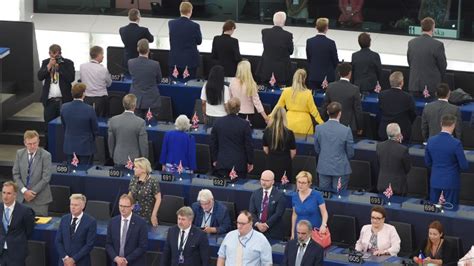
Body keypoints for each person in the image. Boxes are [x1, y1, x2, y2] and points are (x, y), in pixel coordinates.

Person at [38, 44, 75, 149]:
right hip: (49, 101)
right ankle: (49, 150)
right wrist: (49, 67)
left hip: (64, 101)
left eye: (56, 54)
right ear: (49, 53)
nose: (54, 57)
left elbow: (71, 78)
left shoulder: (67, 63)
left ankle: (66, 149)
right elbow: (40, 76)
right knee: (48, 128)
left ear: (60, 53)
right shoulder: (46, 62)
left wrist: (60, 68)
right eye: (52, 54)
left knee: (66, 126)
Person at [425, 114, 468, 205]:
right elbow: (464, 165)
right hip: (451, 183)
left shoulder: (431, 141)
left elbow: (427, 162)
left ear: (441, 124)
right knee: (450, 212)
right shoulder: (456, 143)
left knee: (434, 211)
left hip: (435, 181)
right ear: (454, 125)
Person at [315, 102, 354, 191]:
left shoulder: (319, 128)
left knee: (324, 198)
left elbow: (317, 149)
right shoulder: (346, 130)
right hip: (340, 168)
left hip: (324, 167)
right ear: (340, 113)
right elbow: (350, 153)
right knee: (339, 198)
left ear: (328, 113)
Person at [210, 97, 254, 179]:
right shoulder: (244, 124)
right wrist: (250, 162)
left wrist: (215, 159)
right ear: (239, 109)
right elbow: (249, 145)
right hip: (239, 165)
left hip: (222, 163)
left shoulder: (218, 122)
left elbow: (213, 144)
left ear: (227, 108)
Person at [12, 130, 52, 216]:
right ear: (25, 143)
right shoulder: (19, 153)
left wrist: (32, 192)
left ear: (38, 141)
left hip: (40, 200)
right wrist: (24, 191)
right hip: (22, 198)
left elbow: (46, 178)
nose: (33, 146)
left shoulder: (46, 155)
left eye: (35, 143)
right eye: (30, 144)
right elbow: (16, 174)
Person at [273, 69, 324, 134]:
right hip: (304, 125)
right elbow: (314, 111)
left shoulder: (286, 91)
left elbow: (278, 107)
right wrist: (322, 123)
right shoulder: (308, 93)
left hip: (288, 124)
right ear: (304, 79)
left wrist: (269, 117)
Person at [407, 17, 447, 98]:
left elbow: (410, 62)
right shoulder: (438, 45)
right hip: (431, 87)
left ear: (421, 28)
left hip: (414, 85)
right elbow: (442, 66)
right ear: (433, 28)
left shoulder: (411, 43)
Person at [60, 83, 98, 166]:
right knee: (85, 173)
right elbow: (95, 129)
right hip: (86, 147)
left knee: (71, 174)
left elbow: (64, 125)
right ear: (83, 94)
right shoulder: (89, 109)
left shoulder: (64, 107)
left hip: (70, 146)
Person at [105, 194, 148, 266]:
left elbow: (142, 246)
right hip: (116, 263)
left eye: (125, 206)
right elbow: (108, 244)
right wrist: (116, 258)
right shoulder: (112, 222)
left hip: (134, 263)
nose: (122, 209)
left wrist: (126, 260)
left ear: (132, 207)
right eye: (120, 206)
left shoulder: (141, 223)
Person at [55, 194, 97, 266]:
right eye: (71, 204)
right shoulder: (64, 219)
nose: (73, 207)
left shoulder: (91, 222)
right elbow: (58, 241)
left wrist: (73, 260)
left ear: (83, 206)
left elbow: (89, 245)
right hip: (64, 263)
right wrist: (66, 258)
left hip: (81, 262)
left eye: (76, 205)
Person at [0, 181, 35, 266]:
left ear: (15, 195)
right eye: (3, 193)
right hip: (1, 252)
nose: (5, 196)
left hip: (17, 254)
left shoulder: (25, 211)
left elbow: (29, 231)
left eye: (9, 193)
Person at [108, 93, 148, 167]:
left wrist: (112, 155)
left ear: (123, 104)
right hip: (135, 161)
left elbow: (111, 142)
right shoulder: (140, 122)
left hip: (118, 158)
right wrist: (144, 158)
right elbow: (143, 144)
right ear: (135, 105)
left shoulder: (113, 120)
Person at [322, 62, 363, 134]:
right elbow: (358, 110)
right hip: (348, 127)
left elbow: (325, 106)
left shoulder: (331, 86)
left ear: (339, 73)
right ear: (350, 73)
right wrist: (360, 127)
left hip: (331, 126)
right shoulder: (354, 89)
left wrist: (323, 122)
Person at [128, 38, 162, 121]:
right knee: (150, 126)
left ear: (137, 49)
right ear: (148, 50)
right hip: (151, 100)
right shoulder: (155, 64)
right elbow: (159, 80)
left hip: (135, 100)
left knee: (136, 127)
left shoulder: (130, 62)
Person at [378, 71, 416, 143]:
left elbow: (379, 112)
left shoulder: (381, 95)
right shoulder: (408, 97)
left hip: (384, 131)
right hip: (402, 132)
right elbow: (413, 114)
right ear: (402, 82)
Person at [257, 11, 294, 86]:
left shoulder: (265, 32)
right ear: (284, 22)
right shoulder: (288, 35)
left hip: (266, 69)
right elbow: (291, 51)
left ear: (273, 21)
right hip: (282, 71)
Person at [168, 2, 202, 80]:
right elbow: (199, 41)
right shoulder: (195, 26)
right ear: (190, 11)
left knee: (174, 86)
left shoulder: (171, 23)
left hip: (174, 60)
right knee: (189, 86)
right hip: (189, 62)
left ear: (180, 10)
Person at [248, 170, 287, 239]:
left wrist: (266, 225)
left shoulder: (280, 195)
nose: (264, 182)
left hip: (274, 231)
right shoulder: (255, 194)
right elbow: (252, 212)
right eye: (262, 180)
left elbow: (278, 214)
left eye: (267, 180)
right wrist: (257, 224)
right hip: (257, 230)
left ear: (273, 182)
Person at [291, 171, 328, 240]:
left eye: (303, 183)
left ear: (309, 184)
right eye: (299, 182)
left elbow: (324, 212)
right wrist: (292, 232)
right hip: (300, 231)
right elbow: (294, 215)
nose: (300, 185)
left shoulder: (317, 195)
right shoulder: (294, 196)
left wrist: (323, 225)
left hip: (314, 231)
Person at [376, 123, 411, 195]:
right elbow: (408, 168)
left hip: (382, 184)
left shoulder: (379, 146)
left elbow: (378, 164)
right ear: (399, 134)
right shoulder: (403, 149)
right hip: (398, 187)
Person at [230, 60, 268, 126]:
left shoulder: (232, 82)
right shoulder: (251, 84)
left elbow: (230, 99)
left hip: (235, 113)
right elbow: (257, 103)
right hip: (248, 115)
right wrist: (265, 117)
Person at [262, 107, 296, 182]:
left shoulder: (267, 131)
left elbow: (265, 149)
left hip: (271, 162)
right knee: (285, 187)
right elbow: (293, 152)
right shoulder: (289, 133)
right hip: (285, 163)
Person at [306, 18, 339, 91]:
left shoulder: (309, 42)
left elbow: (309, 59)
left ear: (316, 27)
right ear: (326, 28)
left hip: (313, 76)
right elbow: (335, 61)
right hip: (327, 78)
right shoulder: (331, 43)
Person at [128, 157, 161, 226]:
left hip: (147, 216)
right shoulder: (134, 179)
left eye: (136, 167)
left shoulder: (153, 181)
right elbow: (130, 196)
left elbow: (158, 199)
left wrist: (154, 215)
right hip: (134, 214)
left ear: (143, 169)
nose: (134, 169)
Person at [80, 45, 112, 118]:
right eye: (102, 54)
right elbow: (109, 83)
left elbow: (82, 80)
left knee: (87, 119)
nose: (103, 56)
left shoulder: (82, 66)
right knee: (101, 121)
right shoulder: (103, 69)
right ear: (99, 55)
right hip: (100, 100)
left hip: (86, 99)